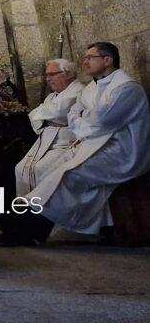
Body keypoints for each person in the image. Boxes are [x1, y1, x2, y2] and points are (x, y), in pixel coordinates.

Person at [19, 42, 150, 241]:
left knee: (69, 175)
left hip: (123, 152)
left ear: (107, 60)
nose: (85, 62)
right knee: (52, 168)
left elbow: (99, 122)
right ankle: (34, 221)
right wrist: (82, 119)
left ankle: (34, 228)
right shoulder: (91, 88)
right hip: (94, 144)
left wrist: (81, 119)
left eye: (90, 57)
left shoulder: (127, 88)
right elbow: (75, 114)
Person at [14, 58, 84, 196]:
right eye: (47, 75)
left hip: (66, 143)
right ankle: (27, 205)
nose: (48, 79)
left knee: (40, 169)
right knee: (20, 168)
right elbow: (41, 114)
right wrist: (45, 113)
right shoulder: (51, 96)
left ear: (68, 74)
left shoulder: (79, 90)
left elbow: (58, 112)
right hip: (47, 141)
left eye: (52, 74)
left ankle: (43, 206)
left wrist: (43, 113)